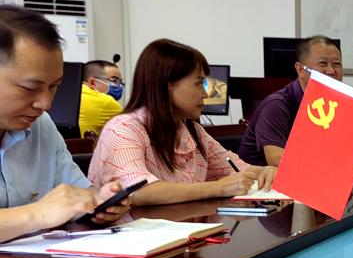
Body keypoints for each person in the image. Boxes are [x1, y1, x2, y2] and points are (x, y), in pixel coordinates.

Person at [89, 39, 276, 206]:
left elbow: (235, 168)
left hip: (182, 229)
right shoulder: (123, 128)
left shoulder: (190, 129)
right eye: (199, 83)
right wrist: (219, 188)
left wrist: (264, 172)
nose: (205, 94)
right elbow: (138, 191)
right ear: (166, 85)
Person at [0, 5, 129, 243]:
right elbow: (45, 212)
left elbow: (77, 194)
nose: (46, 103)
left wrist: (99, 202)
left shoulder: (41, 126)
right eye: (29, 88)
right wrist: (36, 214)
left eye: (54, 87)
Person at [237, 35, 353, 167]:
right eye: (323, 64)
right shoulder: (276, 105)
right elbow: (277, 160)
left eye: (337, 64)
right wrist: (343, 155)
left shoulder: (335, 103)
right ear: (301, 70)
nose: (331, 71)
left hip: (315, 179)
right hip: (260, 184)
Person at [78, 59, 124, 137]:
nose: (119, 86)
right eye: (114, 81)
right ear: (92, 82)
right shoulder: (106, 102)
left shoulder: (71, 93)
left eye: (120, 82)